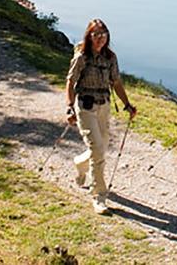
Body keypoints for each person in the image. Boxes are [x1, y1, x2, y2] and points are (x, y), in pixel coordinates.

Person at [65, 18, 137, 214]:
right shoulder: (81, 57)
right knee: (97, 149)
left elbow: (116, 82)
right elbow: (71, 82)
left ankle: (80, 164)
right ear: (89, 36)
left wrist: (127, 104)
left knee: (101, 147)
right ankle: (99, 196)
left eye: (103, 35)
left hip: (104, 107)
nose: (100, 39)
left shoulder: (110, 57)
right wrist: (69, 107)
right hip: (85, 107)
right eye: (96, 35)